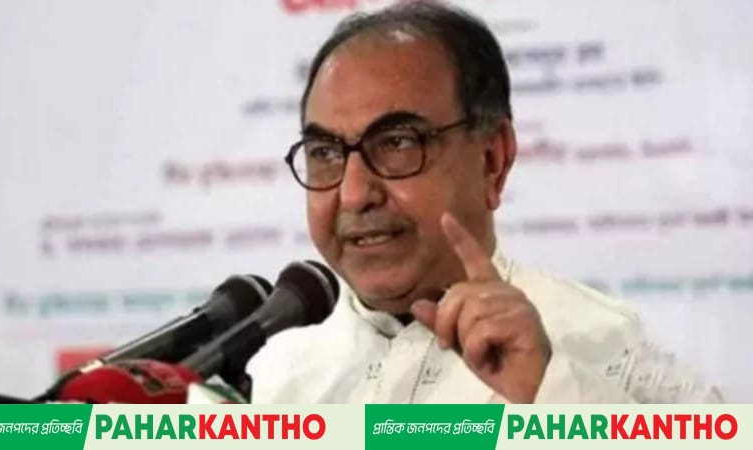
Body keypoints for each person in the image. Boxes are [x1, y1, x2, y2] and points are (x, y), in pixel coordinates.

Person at [247, 0, 723, 403]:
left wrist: (552, 402)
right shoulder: (264, 377)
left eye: (396, 143)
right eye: (325, 153)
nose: (354, 194)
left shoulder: (602, 348)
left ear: (493, 160)